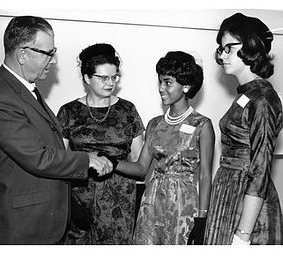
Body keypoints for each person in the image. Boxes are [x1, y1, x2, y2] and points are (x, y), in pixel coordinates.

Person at [0, 16, 112, 245]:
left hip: (39, 223)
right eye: (48, 53)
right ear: (23, 54)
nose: (53, 61)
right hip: (19, 228)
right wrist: (86, 160)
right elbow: (38, 157)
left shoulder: (23, 89)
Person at [108, 51, 215, 244]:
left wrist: (202, 219)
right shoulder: (154, 124)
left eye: (167, 82)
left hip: (183, 206)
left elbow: (205, 175)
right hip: (152, 202)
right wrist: (111, 162)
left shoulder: (202, 125)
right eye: (160, 82)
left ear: (186, 86)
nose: (161, 88)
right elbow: (141, 168)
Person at [204, 13, 283, 245]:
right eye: (221, 48)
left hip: (246, 205)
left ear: (250, 46)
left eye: (229, 48)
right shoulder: (248, 95)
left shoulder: (263, 99)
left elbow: (260, 172)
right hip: (230, 193)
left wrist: (243, 235)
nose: (222, 55)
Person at [57, 43, 145, 244]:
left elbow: (139, 167)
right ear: (87, 78)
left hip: (121, 204)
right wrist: (70, 206)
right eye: (103, 77)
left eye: (114, 77)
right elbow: (58, 162)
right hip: (80, 202)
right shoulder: (68, 112)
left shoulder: (128, 110)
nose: (110, 83)